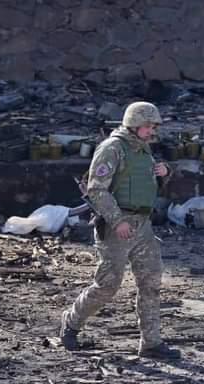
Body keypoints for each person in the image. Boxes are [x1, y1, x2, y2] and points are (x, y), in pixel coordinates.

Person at [60, 101, 180, 359]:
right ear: (134, 124)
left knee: (151, 282)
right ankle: (71, 322)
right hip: (117, 227)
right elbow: (96, 190)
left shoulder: (142, 149)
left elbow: (145, 182)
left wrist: (164, 172)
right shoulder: (112, 148)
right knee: (107, 285)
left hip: (142, 225)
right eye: (148, 126)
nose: (152, 132)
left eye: (153, 127)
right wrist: (117, 221)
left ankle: (151, 343)